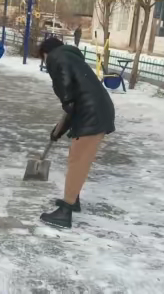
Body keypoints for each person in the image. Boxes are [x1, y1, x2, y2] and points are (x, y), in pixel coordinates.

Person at [38, 37, 115, 229]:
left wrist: (61, 126)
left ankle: (66, 211)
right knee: (76, 156)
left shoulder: (57, 59)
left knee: (77, 161)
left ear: (47, 53)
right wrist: (58, 130)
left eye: (44, 58)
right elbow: (72, 103)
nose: (46, 63)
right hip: (96, 111)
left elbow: (70, 101)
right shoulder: (72, 59)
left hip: (92, 115)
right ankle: (73, 199)